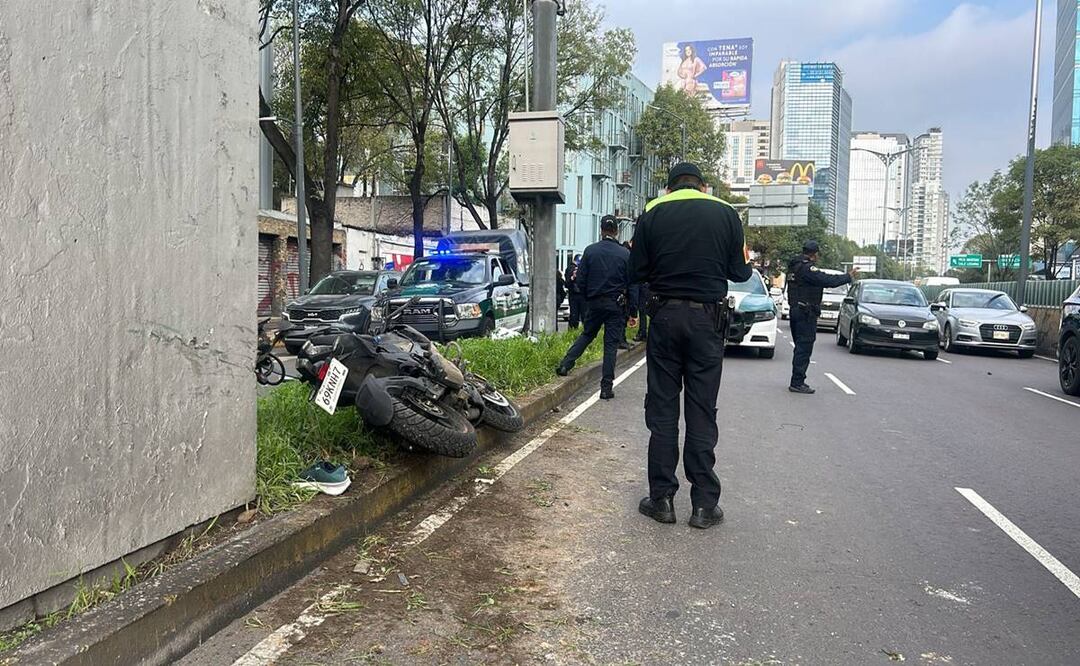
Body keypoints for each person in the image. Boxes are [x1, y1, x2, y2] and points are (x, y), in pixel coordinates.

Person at [630, 163, 752, 530]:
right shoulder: (726, 213)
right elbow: (741, 272)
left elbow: (635, 271)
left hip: (665, 318)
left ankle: (662, 499)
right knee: (701, 409)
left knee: (663, 409)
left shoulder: (653, 211)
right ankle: (703, 505)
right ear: (703, 186)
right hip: (707, 321)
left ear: (669, 188)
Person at [556, 216, 631, 400]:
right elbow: (631, 283)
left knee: (587, 334)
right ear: (616, 231)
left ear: (601, 230)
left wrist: (589, 296)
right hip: (616, 303)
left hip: (595, 302)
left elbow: (580, 279)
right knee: (610, 346)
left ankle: (566, 364)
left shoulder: (590, 251)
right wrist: (632, 310)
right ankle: (606, 388)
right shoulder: (625, 254)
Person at [787, 240, 858, 394]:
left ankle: (796, 380)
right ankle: (797, 382)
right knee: (804, 348)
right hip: (805, 312)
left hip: (796, 310)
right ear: (814, 254)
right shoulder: (807, 269)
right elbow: (827, 280)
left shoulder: (794, 266)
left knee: (800, 346)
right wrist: (848, 276)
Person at [564, 254, 585, 329]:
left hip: (581, 295)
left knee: (582, 315)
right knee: (574, 316)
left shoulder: (583, 269)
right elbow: (567, 283)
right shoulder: (570, 269)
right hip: (575, 295)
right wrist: (573, 277)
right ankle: (573, 330)